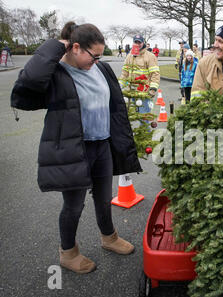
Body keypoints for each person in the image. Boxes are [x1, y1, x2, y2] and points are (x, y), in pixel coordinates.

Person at [10, 21, 141, 274]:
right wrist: (56, 45)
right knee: (73, 206)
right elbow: (28, 84)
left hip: (102, 145)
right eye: (93, 55)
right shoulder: (57, 74)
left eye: (100, 56)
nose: (97, 60)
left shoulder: (101, 69)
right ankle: (68, 253)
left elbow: (114, 105)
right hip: (74, 149)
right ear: (76, 47)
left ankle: (109, 237)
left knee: (104, 198)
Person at [119, 35, 160, 114]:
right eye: (135, 42)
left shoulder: (150, 56)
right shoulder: (129, 56)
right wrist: (120, 87)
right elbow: (124, 73)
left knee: (144, 118)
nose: (137, 44)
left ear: (143, 43)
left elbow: (155, 74)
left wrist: (153, 89)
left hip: (144, 92)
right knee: (128, 117)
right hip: (130, 91)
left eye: (139, 42)